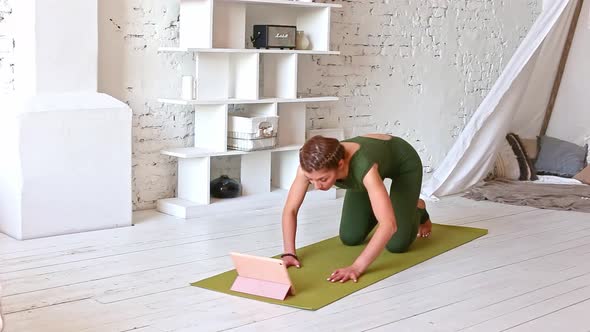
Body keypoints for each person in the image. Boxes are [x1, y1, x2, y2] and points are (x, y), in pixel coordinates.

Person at [280, 134, 432, 283]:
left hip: (403, 162)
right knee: (350, 237)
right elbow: (290, 210)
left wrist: (357, 267)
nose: (317, 186)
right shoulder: (309, 168)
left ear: (340, 164)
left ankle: (418, 208)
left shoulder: (364, 166)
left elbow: (388, 225)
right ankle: (385, 204)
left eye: (323, 179)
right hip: (369, 171)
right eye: (311, 180)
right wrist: (289, 253)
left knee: (397, 244)